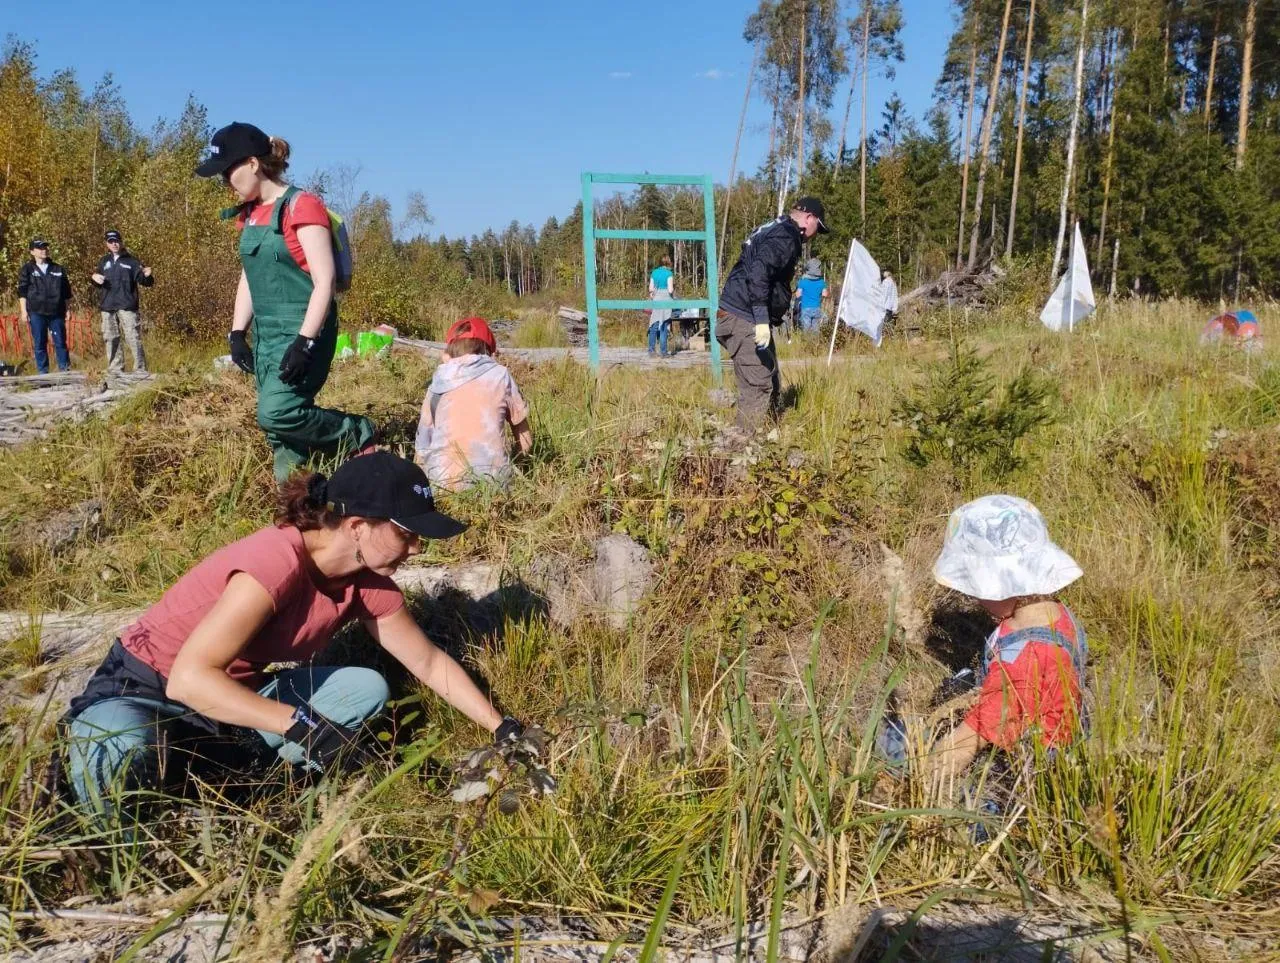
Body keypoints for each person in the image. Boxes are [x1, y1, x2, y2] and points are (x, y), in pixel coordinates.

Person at [64, 450, 529, 820]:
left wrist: (502, 727)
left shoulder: (367, 582)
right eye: (406, 533)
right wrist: (301, 727)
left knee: (365, 689)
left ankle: (230, 780)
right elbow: (188, 680)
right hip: (142, 688)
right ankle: (113, 849)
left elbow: (427, 663)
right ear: (356, 526)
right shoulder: (274, 563)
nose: (416, 547)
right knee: (118, 744)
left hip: (228, 701)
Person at [195, 122, 375, 481]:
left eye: (228, 171)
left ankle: (359, 433)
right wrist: (236, 332)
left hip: (303, 331)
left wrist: (305, 342)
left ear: (252, 164)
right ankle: (296, 504)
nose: (224, 181)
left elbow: (324, 282)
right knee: (279, 432)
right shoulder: (249, 215)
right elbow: (250, 275)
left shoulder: (302, 206)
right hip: (266, 334)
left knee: (276, 412)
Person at [916, 494, 1088, 790]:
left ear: (1003, 583)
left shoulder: (1025, 660)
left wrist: (919, 780)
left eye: (978, 586)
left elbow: (965, 742)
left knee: (986, 796)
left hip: (1030, 764)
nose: (975, 597)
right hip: (1036, 716)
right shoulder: (1057, 616)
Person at [715, 197, 828, 431]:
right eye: (819, 226)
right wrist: (762, 320)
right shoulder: (787, 235)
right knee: (758, 386)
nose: (816, 235)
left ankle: (771, 437)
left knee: (771, 377)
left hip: (741, 315)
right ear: (809, 219)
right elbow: (758, 272)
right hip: (744, 317)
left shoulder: (775, 228)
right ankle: (743, 450)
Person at [414, 317, 532, 491]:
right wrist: (518, 469)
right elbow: (525, 440)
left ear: (450, 350)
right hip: (493, 485)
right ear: (489, 349)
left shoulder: (437, 382)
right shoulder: (500, 375)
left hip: (441, 485)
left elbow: (421, 450)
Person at [91, 229, 154, 375]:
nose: (114, 244)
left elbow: (145, 281)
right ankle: (115, 370)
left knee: (133, 337)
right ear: (106, 243)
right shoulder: (103, 261)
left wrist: (149, 276)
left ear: (121, 241)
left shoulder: (132, 261)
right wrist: (94, 278)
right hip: (108, 306)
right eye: (111, 241)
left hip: (127, 305)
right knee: (110, 338)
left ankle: (140, 370)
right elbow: (98, 280)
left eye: (117, 241)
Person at [16, 239, 73, 374]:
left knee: (60, 342)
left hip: (56, 312)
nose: (44, 250)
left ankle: (65, 371)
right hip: (36, 312)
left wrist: (68, 309)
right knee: (40, 343)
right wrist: (24, 311)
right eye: (40, 248)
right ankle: (43, 373)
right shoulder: (27, 269)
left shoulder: (58, 269)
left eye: (46, 247)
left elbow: (66, 292)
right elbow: (22, 291)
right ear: (32, 252)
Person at [647, 255, 675, 357]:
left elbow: (651, 289)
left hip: (656, 300)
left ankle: (651, 350)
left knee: (654, 325)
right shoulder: (669, 273)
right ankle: (663, 352)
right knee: (664, 326)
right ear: (668, 262)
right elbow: (670, 290)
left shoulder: (654, 272)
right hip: (666, 300)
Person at [792, 258, 829, 334]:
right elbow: (825, 294)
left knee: (806, 329)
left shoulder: (802, 282)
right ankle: (814, 344)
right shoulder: (822, 282)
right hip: (817, 308)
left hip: (805, 308)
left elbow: (797, 294)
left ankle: (807, 343)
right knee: (815, 330)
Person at [879, 269, 899, 340]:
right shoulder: (893, 282)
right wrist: (895, 308)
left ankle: (884, 343)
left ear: (888, 273)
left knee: (883, 329)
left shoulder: (886, 282)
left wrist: (879, 305)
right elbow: (895, 296)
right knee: (889, 328)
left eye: (884, 272)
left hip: (884, 308)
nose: (883, 273)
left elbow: (883, 295)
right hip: (890, 309)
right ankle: (890, 342)